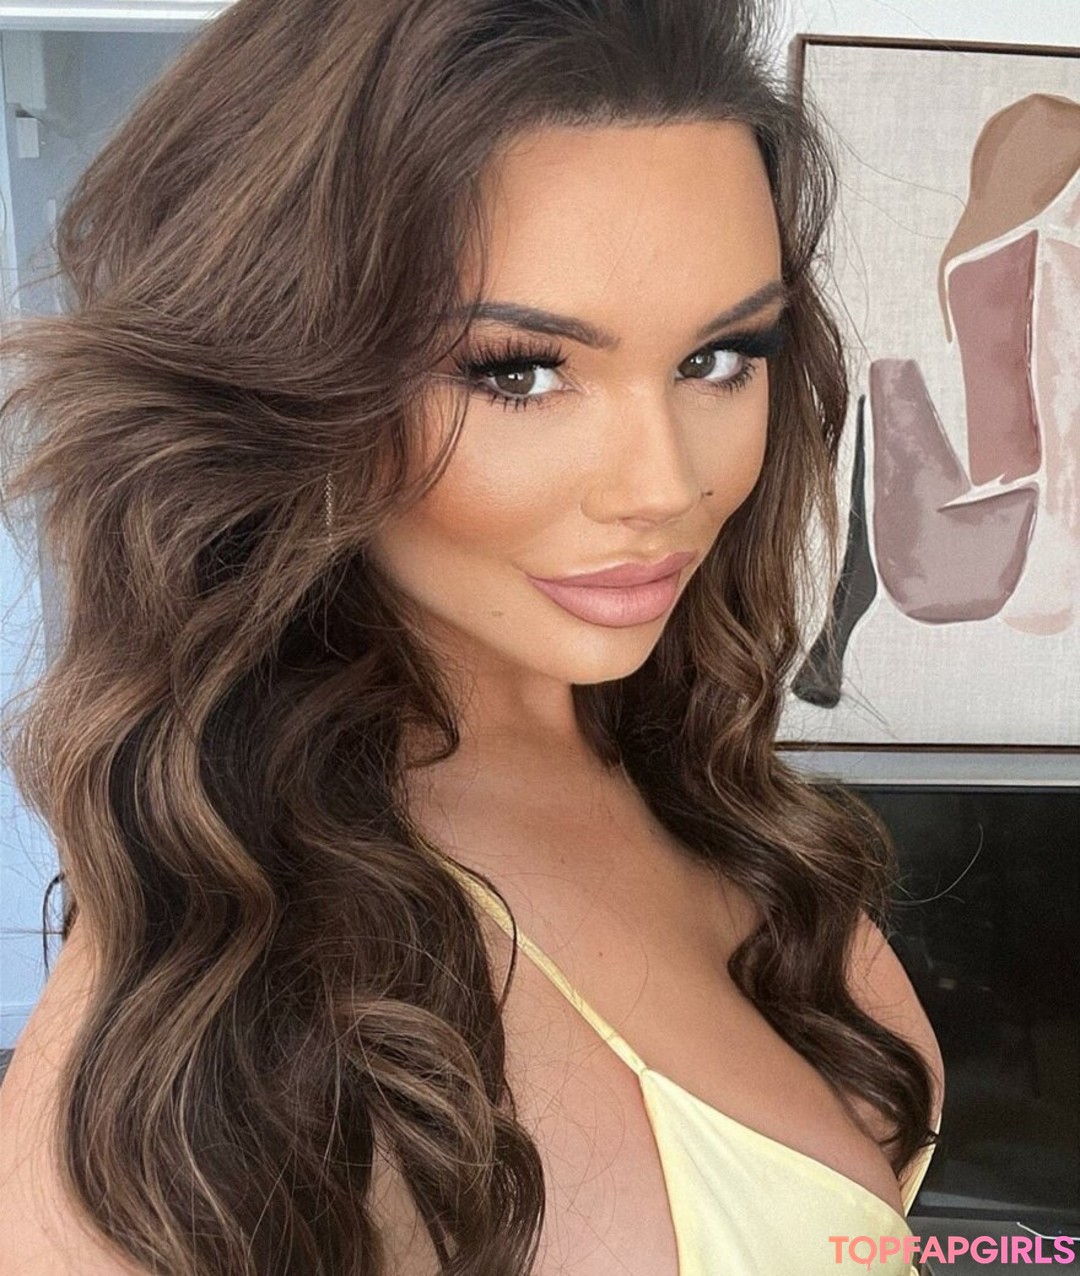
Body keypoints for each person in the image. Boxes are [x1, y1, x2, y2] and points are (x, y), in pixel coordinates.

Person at [0, 0, 944, 1272]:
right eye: (520, 371)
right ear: (286, 380)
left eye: (721, 356)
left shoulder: (689, 768)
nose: (665, 484)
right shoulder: (214, 998)